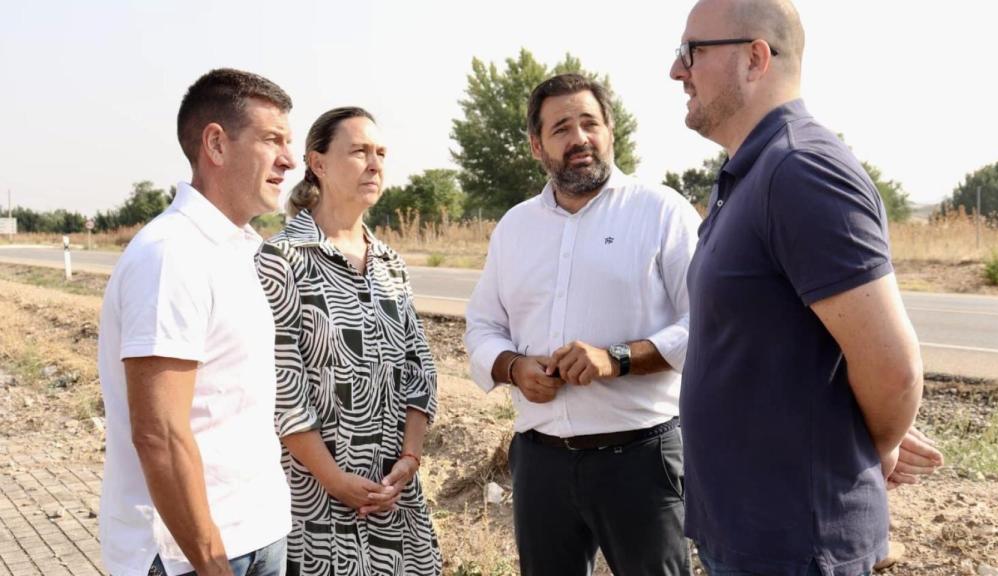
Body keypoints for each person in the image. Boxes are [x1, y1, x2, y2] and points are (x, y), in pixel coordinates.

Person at [670, 1, 925, 574]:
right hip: (747, 534)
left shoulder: (801, 170)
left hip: (794, 545)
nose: (676, 71)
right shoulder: (748, 173)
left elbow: (895, 369)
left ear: (755, 58)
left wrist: (871, 446)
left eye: (691, 52)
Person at [465, 73, 702, 576]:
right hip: (539, 462)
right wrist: (511, 367)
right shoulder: (515, 227)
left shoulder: (661, 211)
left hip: (641, 458)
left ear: (610, 130)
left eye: (590, 123)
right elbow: (482, 326)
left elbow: (706, 323)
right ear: (536, 145)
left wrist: (617, 359)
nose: (579, 139)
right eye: (561, 128)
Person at [97, 68, 295, 576]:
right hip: (191, 556)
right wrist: (210, 561)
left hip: (254, 534)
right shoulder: (171, 256)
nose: (288, 160)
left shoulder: (234, 250)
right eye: (272, 139)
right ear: (217, 144)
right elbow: (159, 433)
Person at [254, 107, 442, 576]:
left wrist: (410, 458)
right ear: (317, 163)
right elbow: (282, 389)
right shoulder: (281, 259)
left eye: (380, 153)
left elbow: (419, 368)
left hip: (393, 500)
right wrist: (336, 481)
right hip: (315, 508)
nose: (375, 163)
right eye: (359, 151)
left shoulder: (391, 265)